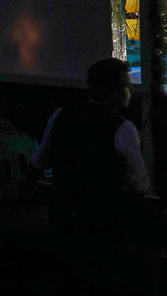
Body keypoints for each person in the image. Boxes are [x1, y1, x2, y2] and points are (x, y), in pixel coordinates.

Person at [32, 57, 151, 242]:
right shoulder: (123, 129)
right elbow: (140, 186)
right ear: (114, 91)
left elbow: (40, 162)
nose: (132, 90)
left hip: (63, 219)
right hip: (103, 227)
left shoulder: (61, 116)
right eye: (127, 85)